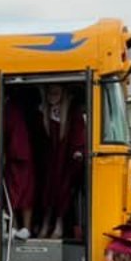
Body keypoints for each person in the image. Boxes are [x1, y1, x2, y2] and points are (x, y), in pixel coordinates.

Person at [36, 83, 85, 240]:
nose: (52, 96)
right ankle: (45, 223)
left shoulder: (72, 112)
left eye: (56, 93)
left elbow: (78, 133)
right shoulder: (42, 111)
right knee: (46, 191)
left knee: (62, 191)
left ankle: (59, 225)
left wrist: (78, 151)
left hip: (65, 157)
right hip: (48, 158)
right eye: (50, 93)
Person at [3, 94, 35, 239]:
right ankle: (14, 226)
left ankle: (25, 228)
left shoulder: (13, 109)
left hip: (21, 155)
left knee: (24, 192)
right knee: (11, 193)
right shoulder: (7, 108)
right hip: (12, 156)